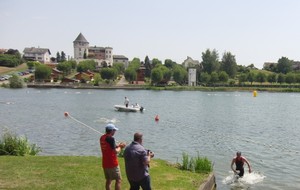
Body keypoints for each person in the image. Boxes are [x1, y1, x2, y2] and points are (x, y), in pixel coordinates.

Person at [100, 123, 126, 190]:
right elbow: (115, 151)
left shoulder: (102, 137)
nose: (115, 132)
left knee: (108, 180)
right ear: (111, 131)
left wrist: (117, 145)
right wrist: (121, 147)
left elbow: (109, 146)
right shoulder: (111, 139)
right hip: (112, 163)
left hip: (105, 163)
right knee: (118, 180)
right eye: (114, 130)